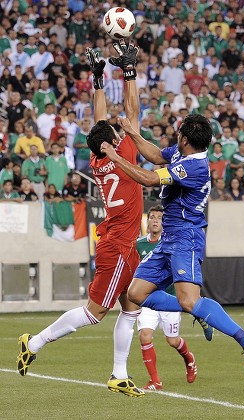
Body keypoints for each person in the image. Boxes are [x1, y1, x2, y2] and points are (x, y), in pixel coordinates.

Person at [16, 41, 145, 398]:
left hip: (123, 245)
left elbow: (101, 122)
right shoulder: (122, 153)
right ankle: (36, 342)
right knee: (94, 313)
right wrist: (129, 72)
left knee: (131, 308)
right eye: (117, 136)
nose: (122, 134)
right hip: (118, 246)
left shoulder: (100, 159)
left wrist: (100, 78)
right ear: (112, 144)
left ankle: (119, 373)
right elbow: (132, 114)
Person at [101, 113, 244, 378]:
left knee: (189, 300)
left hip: (186, 238)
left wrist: (116, 157)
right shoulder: (183, 153)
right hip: (170, 237)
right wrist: (132, 132)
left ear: (185, 139)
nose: (176, 136)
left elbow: (150, 179)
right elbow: (155, 155)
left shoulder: (195, 167)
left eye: (179, 133)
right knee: (136, 294)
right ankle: (201, 310)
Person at [137, 205, 198, 390]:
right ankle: (155, 380)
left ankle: (189, 358)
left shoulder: (171, 244)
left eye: (159, 218)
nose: (155, 220)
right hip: (148, 299)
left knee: (172, 341)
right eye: (152, 217)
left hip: (169, 298)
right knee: (145, 336)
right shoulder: (139, 244)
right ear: (147, 221)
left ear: (165, 223)